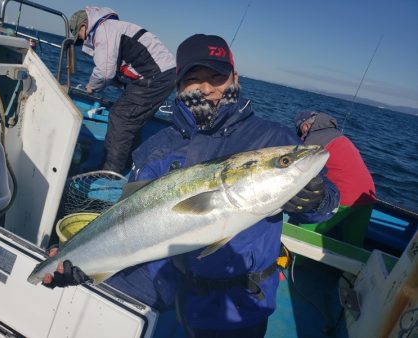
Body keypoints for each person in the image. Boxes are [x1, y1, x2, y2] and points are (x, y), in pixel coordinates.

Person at [43, 34, 339, 337]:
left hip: (240, 304)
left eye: (217, 76)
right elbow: (130, 225)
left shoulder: (274, 140)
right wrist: (84, 264)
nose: (207, 88)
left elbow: (325, 206)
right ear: (178, 85)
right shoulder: (157, 147)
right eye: (194, 78)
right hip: (165, 292)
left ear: (235, 77)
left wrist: (316, 200)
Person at [69, 6, 176, 174]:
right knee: (130, 119)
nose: (82, 41)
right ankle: (128, 163)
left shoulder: (103, 31)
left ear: (83, 26)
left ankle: (110, 173)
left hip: (156, 76)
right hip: (160, 74)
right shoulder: (111, 28)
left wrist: (92, 87)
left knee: (121, 117)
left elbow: (105, 72)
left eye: (79, 36)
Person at [293, 111, 376, 245]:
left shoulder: (313, 141)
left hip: (343, 196)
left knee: (300, 239)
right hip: (367, 195)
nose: (300, 136)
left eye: (299, 131)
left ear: (306, 126)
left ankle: (295, 262)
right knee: (353, 246)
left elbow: (297, 172)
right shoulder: (339, 136)